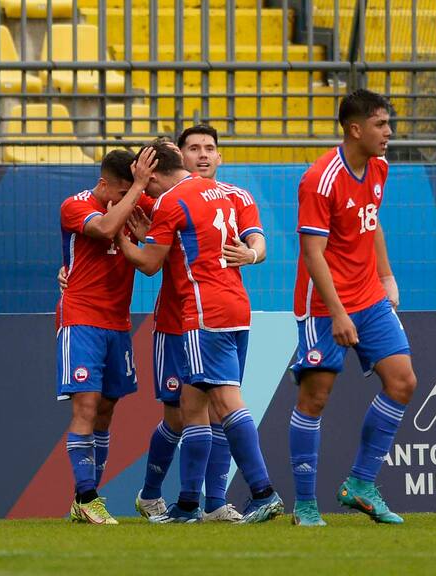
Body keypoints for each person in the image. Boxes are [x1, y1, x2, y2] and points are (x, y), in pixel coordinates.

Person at [116, 142, 282, 523]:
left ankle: (263, 491)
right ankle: (189, 504)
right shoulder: (225, 193)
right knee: (193, 407)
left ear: (153, 174)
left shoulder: (172, 201)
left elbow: (150, 265)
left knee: (224, 404)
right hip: (237, 306)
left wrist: (126, 242)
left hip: (203, 314)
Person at [289, 89, 417, 527]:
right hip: (324, 306)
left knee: (402, 382)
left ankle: (361, 484)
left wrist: (386, 276)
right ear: (354, 128)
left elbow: (371, 219)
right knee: (315, 396)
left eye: (388, 123)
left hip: (370, 297)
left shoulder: (379, 167)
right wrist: (339, 312)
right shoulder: (319, 179)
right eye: (381, 124)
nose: (389, 132)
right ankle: (305, 505)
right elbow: (313, 253)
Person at [57, 148, 157, 524]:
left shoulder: (132, 196)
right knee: (85, 405)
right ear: (103, 184)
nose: (130, 200)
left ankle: (83, 500)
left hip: (118, 322)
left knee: (106, 409)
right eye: (121, 193)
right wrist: (135, 195)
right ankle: (87, 496)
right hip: (81, 318)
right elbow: (103, 228)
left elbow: (168, 201)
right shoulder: (74, 205)